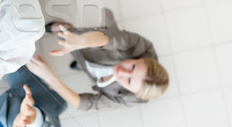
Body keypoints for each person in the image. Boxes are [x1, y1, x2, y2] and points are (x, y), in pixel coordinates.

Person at [27, 8, 169, 110]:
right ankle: (69, 29)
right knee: (73, 37)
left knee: (85, 64)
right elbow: (110, 39)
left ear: (134, 92)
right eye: (132, 67)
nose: (122, 71)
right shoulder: (142, 47)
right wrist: (81, 41)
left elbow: (87, 103)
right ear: (141, 59)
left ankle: (84, 65)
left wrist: (50, 77)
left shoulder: (130, 98)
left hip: (95, 70)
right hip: (97, 44)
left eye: (129, 81)